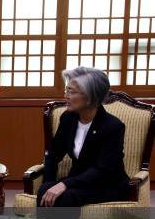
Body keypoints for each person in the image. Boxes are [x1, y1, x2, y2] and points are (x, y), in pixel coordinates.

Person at [38, 67, 130, 207]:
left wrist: (64, 184)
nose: (66, 96)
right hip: (79, 181)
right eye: (66, 90)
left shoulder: (113, 127)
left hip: (107, 185)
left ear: (90, 97)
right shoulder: (68, 118)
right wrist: (49, 184)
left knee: (66, 197)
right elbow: (53, 154)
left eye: (72, 92)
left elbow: (102, 170)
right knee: (45, 191)